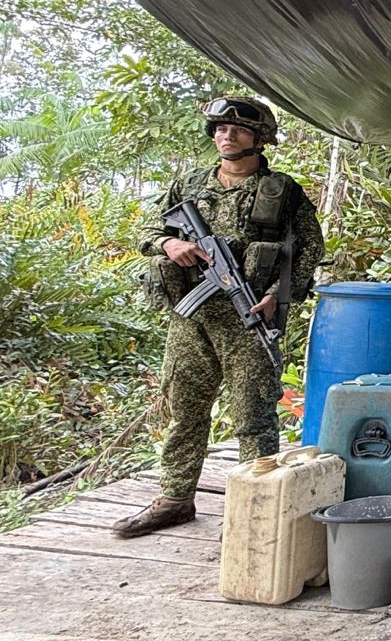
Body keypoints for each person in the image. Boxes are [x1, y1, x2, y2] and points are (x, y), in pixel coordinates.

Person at [113, 98, 324, 538]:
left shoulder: (282, 190)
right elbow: (150, 232)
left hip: (248, 317)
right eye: (219, 128)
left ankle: (256, 506)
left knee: (254, 414)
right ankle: (174, 497)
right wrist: (169, 246)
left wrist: (275, 295)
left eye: (237, 130)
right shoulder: (189, 184)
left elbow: (309, 250)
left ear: (259, 138)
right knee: (185, 410)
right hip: (191, 317)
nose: (225, 135)